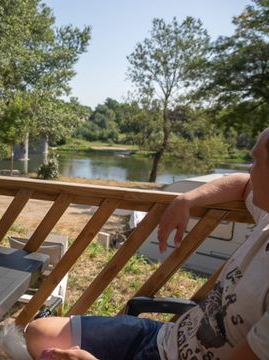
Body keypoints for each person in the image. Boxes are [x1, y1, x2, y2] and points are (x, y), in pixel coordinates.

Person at [25, 127, 269, 360]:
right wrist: (186, 199)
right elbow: (242, 183)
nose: (250, 168)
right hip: (163, 338)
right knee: (39, 334)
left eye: (256, 161)